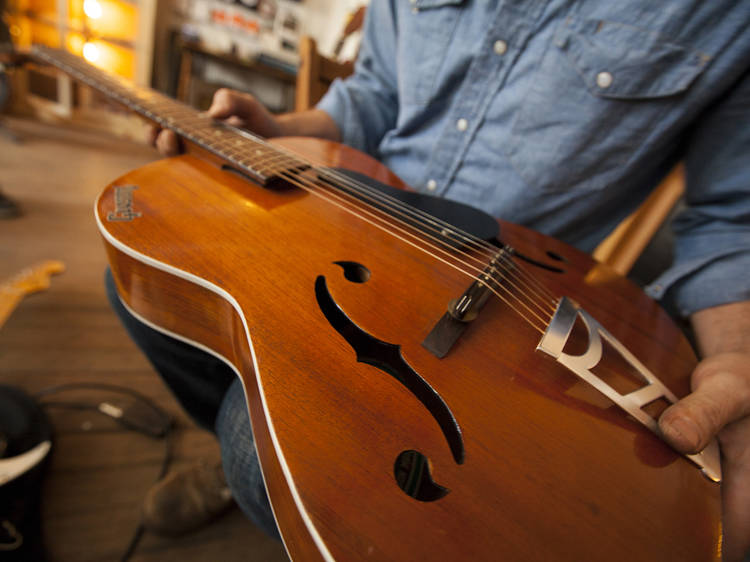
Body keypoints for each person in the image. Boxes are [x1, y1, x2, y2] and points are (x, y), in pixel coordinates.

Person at [111, 0, 750, 559]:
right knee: (144, 275)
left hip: (510, 284)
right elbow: (374, 94)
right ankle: (239, 440)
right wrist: (285, 129)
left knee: (259, 450)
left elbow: (731, 216)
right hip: (341, 215)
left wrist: (738, 357)